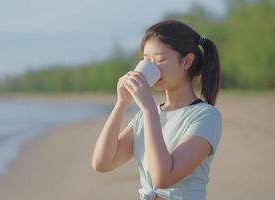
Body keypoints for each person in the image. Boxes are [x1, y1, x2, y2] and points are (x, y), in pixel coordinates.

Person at [91, 19, 223, 200]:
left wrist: (149, 110)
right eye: (146, 60)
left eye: (159, 60)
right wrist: (121, 103)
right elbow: (102, 163)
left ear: (186, 61)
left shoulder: (205, 116)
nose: (151, 67)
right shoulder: (146, 116)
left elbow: (162, 178)